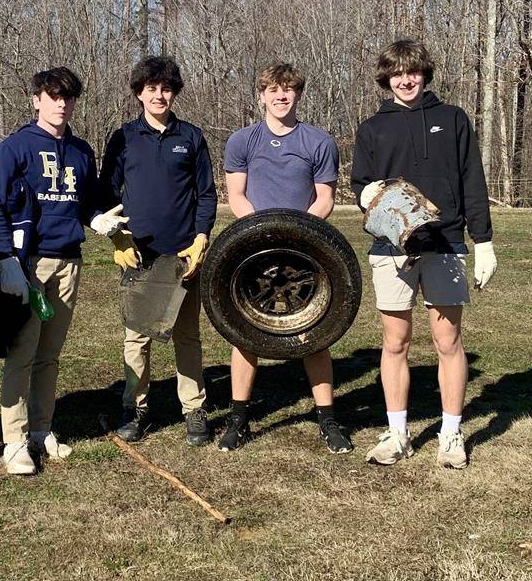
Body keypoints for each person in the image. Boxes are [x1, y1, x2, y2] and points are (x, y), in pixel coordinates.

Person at [351, 38, 497, 469]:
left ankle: (451, 434)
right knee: (395, 341)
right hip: (392, 249)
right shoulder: (372, 128)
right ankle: (397, 433)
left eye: (412, 72)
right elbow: (361, 186)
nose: (406, 80)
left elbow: (472, 180)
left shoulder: (452, 119)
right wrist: (366, 195)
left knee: (447, 340)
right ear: (386, 79)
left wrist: (483, 241)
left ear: (424, 74)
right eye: (397, 73)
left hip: (445, 243)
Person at [220, 64, 353, 453]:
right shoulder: (242, 141)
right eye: (274, 90)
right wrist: (262, 232)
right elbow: (236, 196)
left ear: (298, 94)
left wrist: (297, 233)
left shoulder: (319, 142)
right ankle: (238, 419)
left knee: (316, 333)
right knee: (244, 334)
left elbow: (325, 198)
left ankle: (328, 420)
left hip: (304, 251)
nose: (281, 96)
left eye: (289, 90)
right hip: (253, 250)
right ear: (261, 95)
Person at [0, 67, 109, 475]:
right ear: (36, 100)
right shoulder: (15, 147)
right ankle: (14, 441)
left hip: (69, 260)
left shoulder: (81, 151)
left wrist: (98, 219)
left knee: (50, 354)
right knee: (22, 352)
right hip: (29, 263)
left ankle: (41, 429)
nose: (61, 104)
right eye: (53, 96)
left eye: (68, 97)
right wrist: (4, 260)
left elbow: (87, 202)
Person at [99, 56, 218, 447]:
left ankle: (194, 409)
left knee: (187, 337)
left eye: (166, 88)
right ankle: (135, 408)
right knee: (138, 338)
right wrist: (118, 238)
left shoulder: (191, 137)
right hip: (139, 255)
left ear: (174, 92)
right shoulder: (123, 138)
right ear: (139, 93)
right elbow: (105, 194)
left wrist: (201, 238)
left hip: (183, 256)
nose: (159, 95)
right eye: (151, 88)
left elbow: (206, 194)